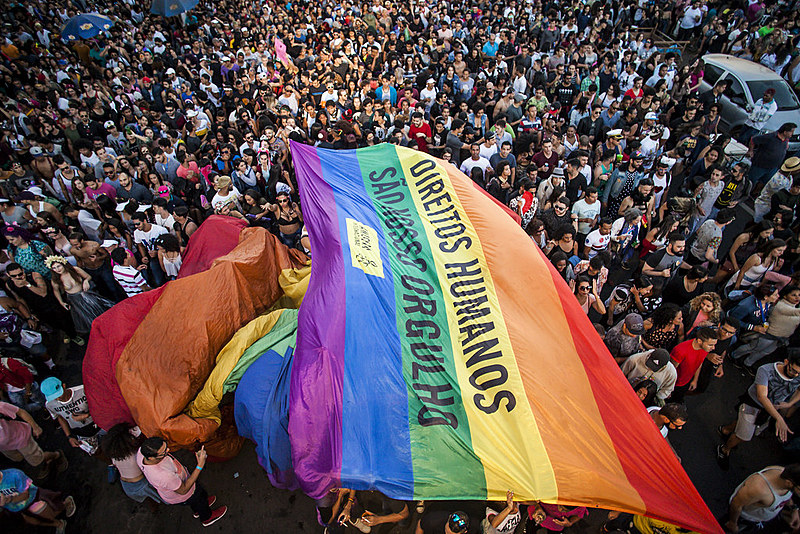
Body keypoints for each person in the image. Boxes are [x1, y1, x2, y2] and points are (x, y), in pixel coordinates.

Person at [718, 352, 800, 470]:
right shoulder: (766, 370)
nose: (795, 375)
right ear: (786, 362)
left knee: (745, 425)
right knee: (744, 436)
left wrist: (790, 403)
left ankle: (725, 430)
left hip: (770, 411)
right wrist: (779, 418)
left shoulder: (798, 376)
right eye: (793, 370)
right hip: (753, 405)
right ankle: (724, 449)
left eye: (798, 373)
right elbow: (762, 396)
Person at [137, 437, 228, 526]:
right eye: (163, 452)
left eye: (166, 447)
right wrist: (200, 465)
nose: (168, 450)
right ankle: (207, 518)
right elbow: (183, 490)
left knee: (198, 500)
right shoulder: (163, 476)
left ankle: (198, 509)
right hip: (185, 493)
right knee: (198, 496)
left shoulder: (141, 453)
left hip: (179, 486)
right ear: (151, 458)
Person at [731, 285, 800, 370]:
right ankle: (733, 355)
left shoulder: (767, 303)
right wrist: (753, 327)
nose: (778, 296)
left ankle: (747, 363)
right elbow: (732, 319)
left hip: (779, 338)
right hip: (766, 334)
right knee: (752, 347)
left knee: (765, 352)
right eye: (775, 295)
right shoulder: (747, 305)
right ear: (766, 297)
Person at [47, 255, 114, 336]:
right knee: (88, 318)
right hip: (75, 301)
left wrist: (86, 281)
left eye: (59, 266)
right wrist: (61, 302)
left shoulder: (75, 270)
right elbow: (56, 291)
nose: (57, 269)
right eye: (54, 268)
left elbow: (88, 276)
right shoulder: (55, 280)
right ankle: (103, 333)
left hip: (86, 295)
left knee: (99, 311)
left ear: (63, 264)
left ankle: (111, 328)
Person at [0, 400, 67, 479]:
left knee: (37, 459)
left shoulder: (1, 406)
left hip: (20, 438)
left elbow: (20, 412)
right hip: (5, 447)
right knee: (18, 458)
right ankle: (41, 463)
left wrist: (35, 427)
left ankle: (56, 455)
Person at [725, 464, 800, 533]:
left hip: (761, 517)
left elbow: (785, 497)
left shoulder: (787, 476)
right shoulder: (758, 489)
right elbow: (736, 504)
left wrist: (794, 509)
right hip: (744, 519)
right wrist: (733, 524)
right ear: (789, 483)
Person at [100, 423, 162, 505]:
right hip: (141, 484)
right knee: (159, 494)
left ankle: (154, 507)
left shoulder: (115, 456)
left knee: (147, 500)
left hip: (126, 486)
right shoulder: (137, 455)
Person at [0, 468, 75, 534]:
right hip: (17, 510)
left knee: (50, 515)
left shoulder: (14, 475)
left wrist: (8, 499)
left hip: (33, 499)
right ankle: (59, 524)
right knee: (36, 522)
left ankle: (66, 503)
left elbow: (26, 495)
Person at [669, 327, 719, 403]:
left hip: (686, 382)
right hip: (675, 384)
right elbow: (670, 371)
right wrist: (669, 388)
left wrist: (695, 380)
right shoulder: (680, 350)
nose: (713, 348)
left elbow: (699, 363)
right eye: (710, 345)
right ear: (699, 341)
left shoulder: (704, 349)